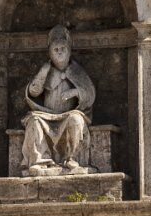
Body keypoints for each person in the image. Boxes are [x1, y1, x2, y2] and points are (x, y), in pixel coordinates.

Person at [20, 25, 96, 176]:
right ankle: (39, 160)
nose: (60, 52)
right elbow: (34, 92)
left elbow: (90, 93)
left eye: (63, 48)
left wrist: (76, 92)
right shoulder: (46, 70)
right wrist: (42, 73)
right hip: (46, 115)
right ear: (50, 53)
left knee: (76, 119)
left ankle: (72, 158)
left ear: (69, 51)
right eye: (56, 50)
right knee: (34, 120)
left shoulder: (76, 71)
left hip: (68, 114)